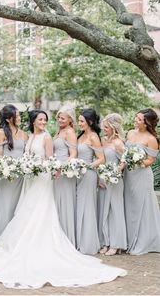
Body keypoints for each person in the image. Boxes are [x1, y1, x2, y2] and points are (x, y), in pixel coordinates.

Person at [0, 109, 126, 289]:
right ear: (33, 121)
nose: (44, 122)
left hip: (43, 178)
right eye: (40, 119)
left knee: (41, 209)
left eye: (45, 119)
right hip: (30, 178)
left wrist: (49, 168)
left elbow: (50, 159)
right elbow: (29, 156)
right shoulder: (31, 135)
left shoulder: (47, 137)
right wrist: (28, 166)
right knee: (27, 209)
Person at [124, 108, 160, 255]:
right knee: (129, 204)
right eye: (136, 117)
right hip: (128, 174)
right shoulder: (131, 133)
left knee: (141, 206)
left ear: (146, 123)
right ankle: (128, 238)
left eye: (139, 119)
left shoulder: (151, 139)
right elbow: (125, 152)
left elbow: (150, 160)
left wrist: (135, 161)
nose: (135, 120)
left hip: (142, 176)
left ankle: (143, 240)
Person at [0, 104, 28, 245]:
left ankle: (15, 241)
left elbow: (26, 154)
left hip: (20, 177)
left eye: (19, 115)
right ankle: (1, 241)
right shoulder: (1, 132)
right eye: (16, 116)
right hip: (6, 176)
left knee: (17, 207)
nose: (19, 118)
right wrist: (5, 169)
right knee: (5, 206)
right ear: (8, 119)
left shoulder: (24, 134)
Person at [98, 113, 127, 256]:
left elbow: (124, 162)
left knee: (115, 211)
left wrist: (115, 172)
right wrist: (100, 177)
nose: (104, 129)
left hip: (115, 180)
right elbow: (101, 160)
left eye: (106, 127)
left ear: (113, 127)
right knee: (105, 211)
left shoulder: (118, 143)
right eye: (103, 127)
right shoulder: (104, 141)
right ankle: (106, 241)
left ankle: (117, 244)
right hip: (103, 180)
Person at [76, 108, 104, 255]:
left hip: (88, 175)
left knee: (86, 207)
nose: (79, 123)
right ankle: (79, 240)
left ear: (90, 122)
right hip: (77, 175)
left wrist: (87, 166)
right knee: (79, 206)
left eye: (82, 121)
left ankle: (88, 243)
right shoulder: (80, 135)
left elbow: (101, 158)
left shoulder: (93, 136)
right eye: (79, 120)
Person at [53, 104, 77, 245]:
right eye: (59, 118)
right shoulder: (59, 131)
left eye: (63, 118)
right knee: (57, 203)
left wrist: (61, 168)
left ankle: (67, 239)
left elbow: (73, 154)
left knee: (65, 203)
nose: (60, 120)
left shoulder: (70, 132)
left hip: (64, 172)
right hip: (56, 171)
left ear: (70, 119)